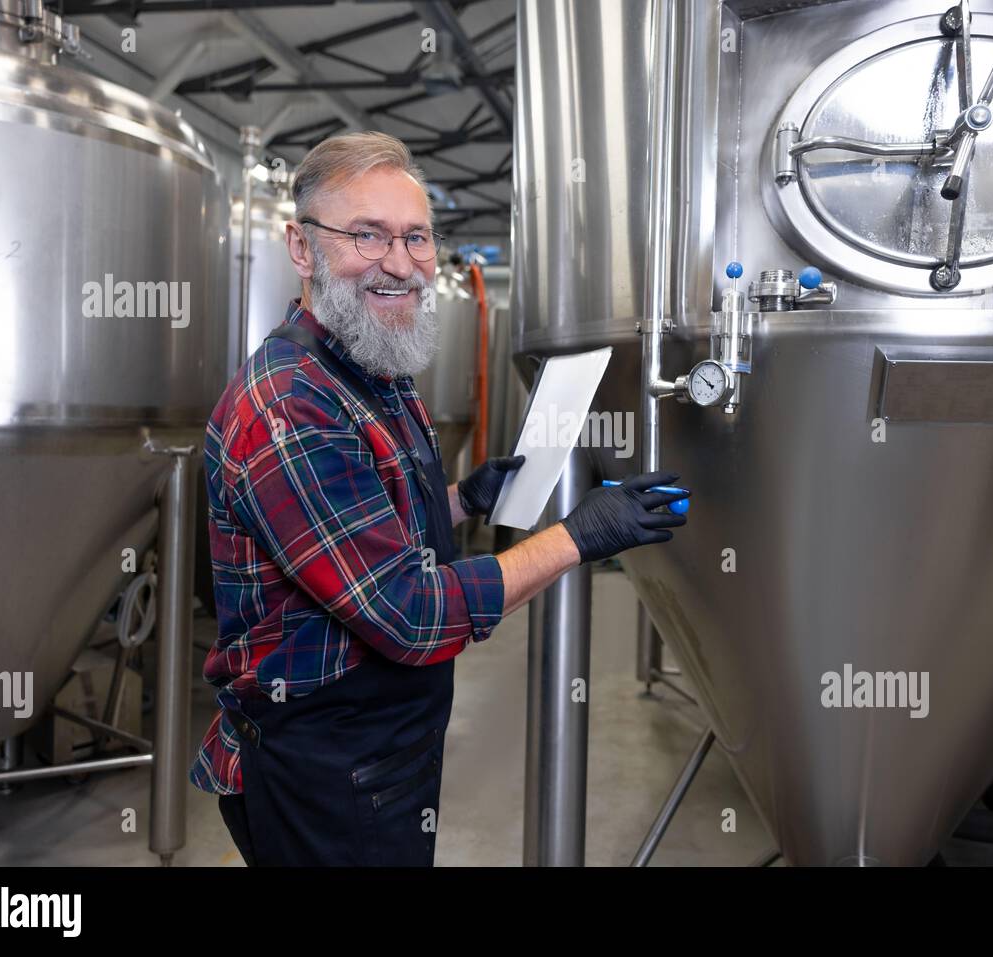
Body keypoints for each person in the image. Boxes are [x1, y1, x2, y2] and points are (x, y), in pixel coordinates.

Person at [189, 130, 688, 866]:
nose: (401, 263)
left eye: (415, 237)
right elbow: (407, 613)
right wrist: (578, 537)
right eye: (368, 234)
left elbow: (363, 526)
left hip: (380, 749)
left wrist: (463, 499)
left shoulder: (370, 368)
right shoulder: (291, 405)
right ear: (302, 248)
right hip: (324, 765)